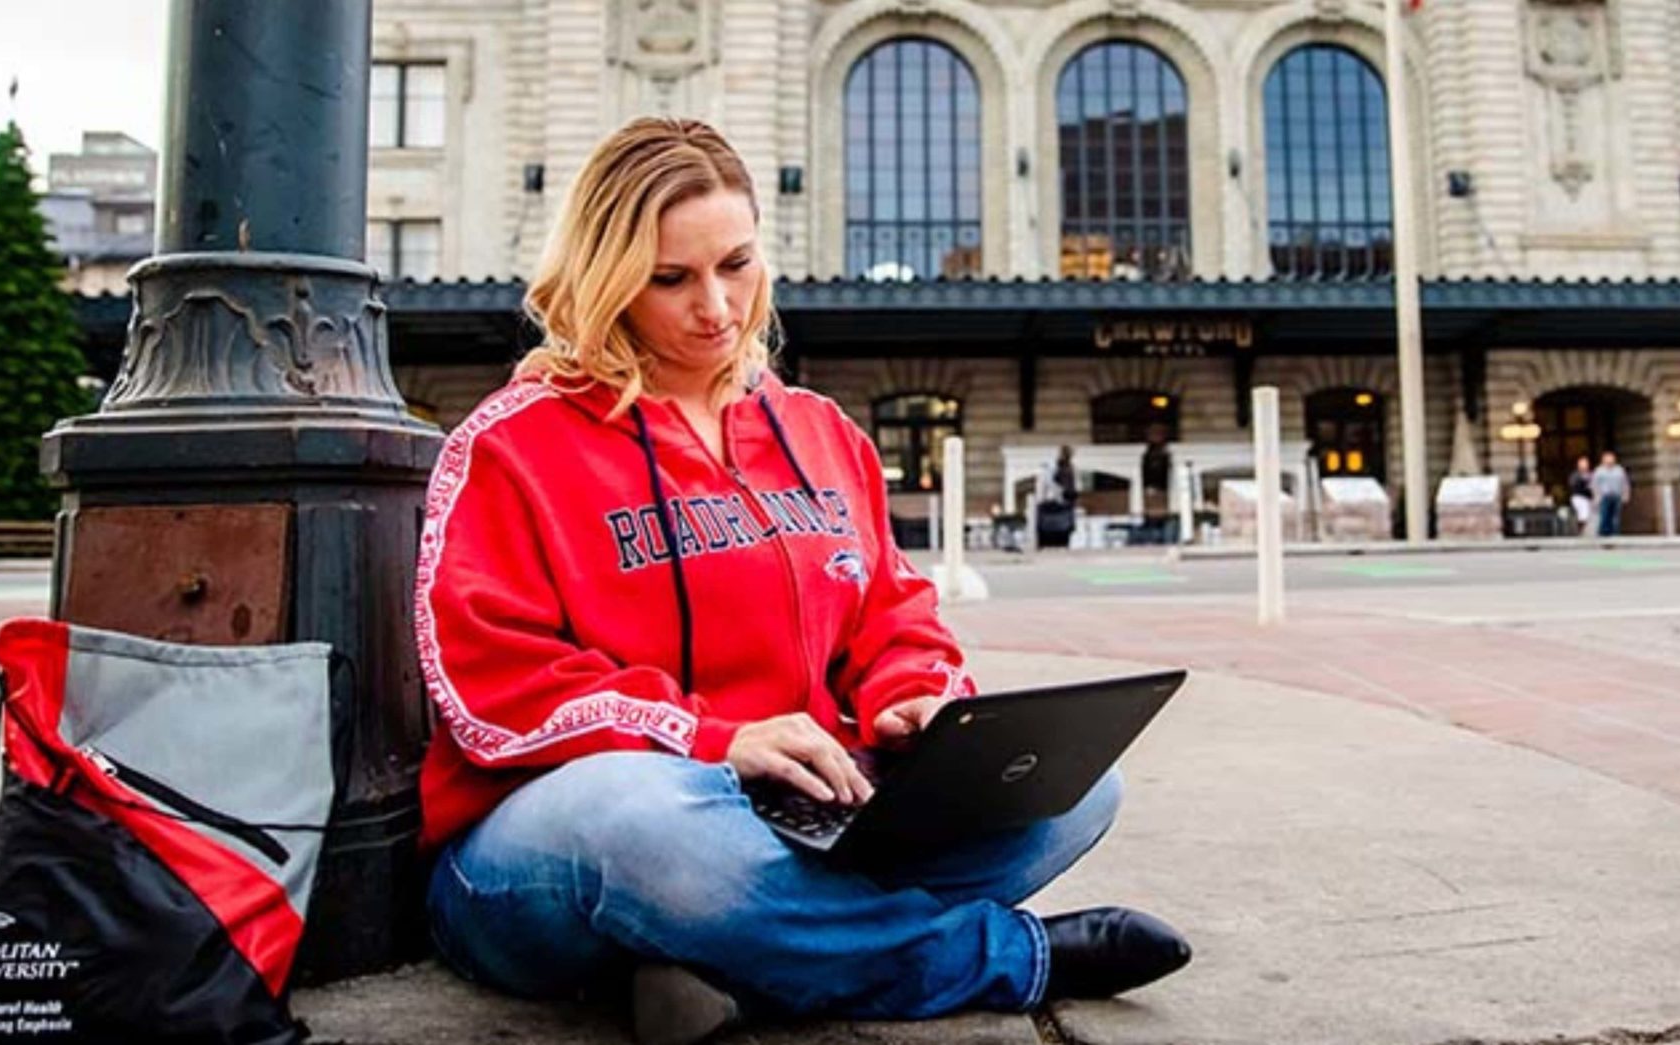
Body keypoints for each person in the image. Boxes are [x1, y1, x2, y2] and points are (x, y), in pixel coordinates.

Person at [413, 118, 1188, 1045]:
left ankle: (731, 955)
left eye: (736, 264)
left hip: (802, 814)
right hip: (558, 846)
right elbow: (488, 688)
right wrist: (715, 739)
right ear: (605, 277)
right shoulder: (509, 445)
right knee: (650, 820)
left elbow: (894, 613)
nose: (717, 306)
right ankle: (1007, 958)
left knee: (1074, 782)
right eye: (671, 278)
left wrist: (915, 702)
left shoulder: (819, 432)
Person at [1033, 445, 1078, 549]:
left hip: (1059, 509)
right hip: (1055, 508)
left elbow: (1070, 490)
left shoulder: (1068, 468)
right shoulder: (1058, 468)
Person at [1590, 451, 1630, 537]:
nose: (1610, 460)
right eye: (1607, 459)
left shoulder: (1619, 470)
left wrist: (1626, 494)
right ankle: (1604, 534)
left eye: (1611, 458)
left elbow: (1625, 483)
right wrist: (1596, 496)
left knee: (1616, 516)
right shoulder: (1599, 471)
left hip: (1616, 496)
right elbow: (1594, 485)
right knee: (1605, 516)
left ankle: (1615, 534)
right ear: (1603, 460)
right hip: (1604, 496)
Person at [1567, 455, 1596, 534]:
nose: (1585, 465)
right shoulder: (1575, 475)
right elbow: (1573, 485)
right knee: (1583, 514)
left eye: (1586, 463)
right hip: (1578, 497)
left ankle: (1584, 531)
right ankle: (1579, 530)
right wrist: (1584, 483)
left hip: (1589, 498)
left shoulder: (1591, 474)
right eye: (1582, 464)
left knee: (1589, 516)